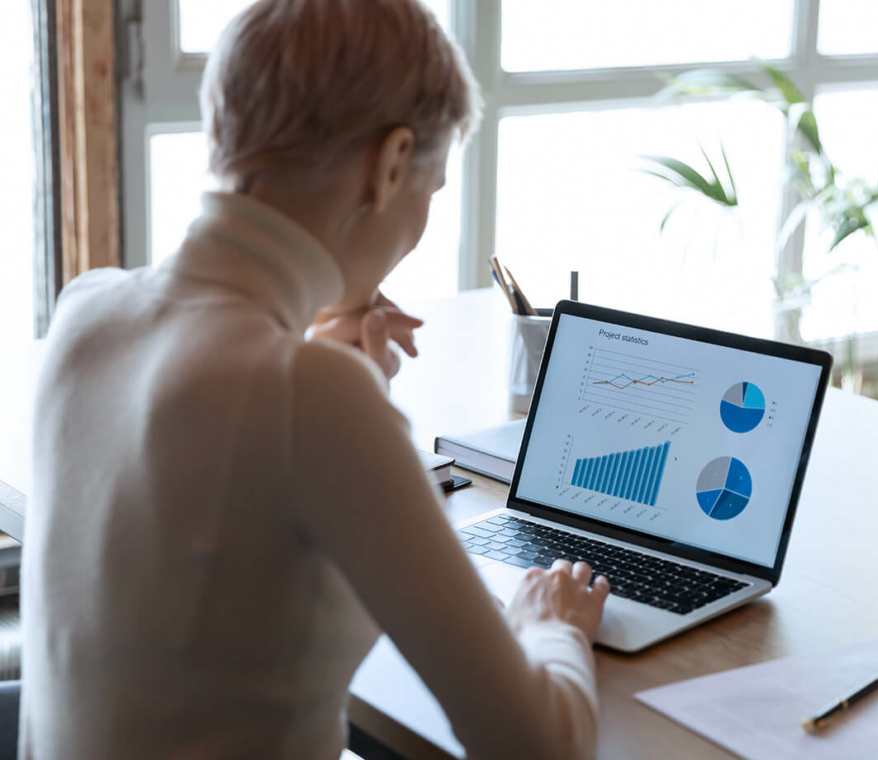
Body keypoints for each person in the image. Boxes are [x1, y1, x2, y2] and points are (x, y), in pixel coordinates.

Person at [19, 1, 610, 758]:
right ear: (391, 163)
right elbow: (540, 747)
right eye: (428, 189)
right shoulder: (312, 397)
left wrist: (336, 365)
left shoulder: (87, 313)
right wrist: (550, 629)